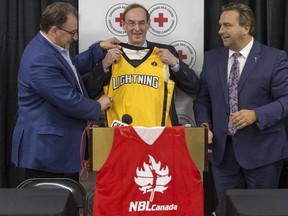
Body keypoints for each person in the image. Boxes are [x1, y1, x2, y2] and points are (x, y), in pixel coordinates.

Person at [193, 2, 288, 215]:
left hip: (263, 154)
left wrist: (256, 114)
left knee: (262, 211)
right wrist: (204, 125)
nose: (220, 31)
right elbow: (202, 100)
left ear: (245, 28)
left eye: (227, 25)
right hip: (222, 156)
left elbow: (285, 99)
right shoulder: (212, 58)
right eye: (220, 25)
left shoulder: (274, 58)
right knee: (228, 211)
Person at [11, 2, 121, 182]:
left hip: (56, 150)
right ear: (54, 31)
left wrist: (99, 48)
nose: (76, 37)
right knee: (51, 205)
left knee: (64, 204)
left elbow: (71, 68)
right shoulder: (39, 59)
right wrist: (98, 106)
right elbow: (68, 101)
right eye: (72, 32)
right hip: (46, 153)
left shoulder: (50, 47)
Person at [84, 3, 199, 126]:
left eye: (142, 23)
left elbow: (193, 87)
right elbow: (88, 92)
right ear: (123, 25)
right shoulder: (111, 55)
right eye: (131, 23)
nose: (137, 28)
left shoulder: (165, 52)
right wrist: (104, 65)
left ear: (149, 24)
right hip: (120, 135)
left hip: (160, 135)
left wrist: (175, 63)